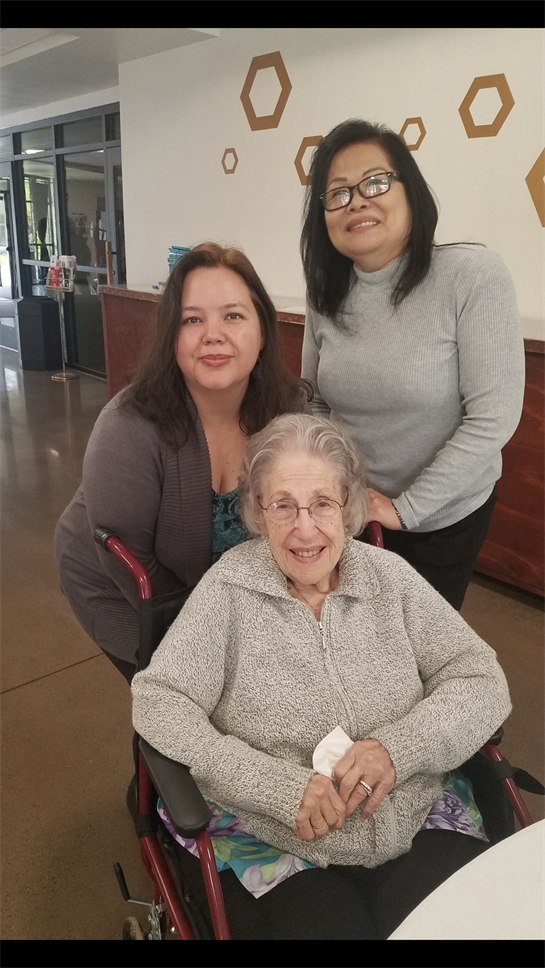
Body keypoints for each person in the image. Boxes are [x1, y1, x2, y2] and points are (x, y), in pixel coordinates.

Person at [132, 413, 511, 940]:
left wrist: (397, 749)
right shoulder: (228, 592)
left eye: (323, 505)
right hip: (279, 840)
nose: (304, 529)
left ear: (350, 508)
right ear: (258, 512)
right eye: (282, 505)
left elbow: (479, 678)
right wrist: (277, 787)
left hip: (415, 818)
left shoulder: (390, 580)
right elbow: (159, 700)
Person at [54, 243, 308, 682]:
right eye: (192, 319)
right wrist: (218, 639)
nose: (213, 334)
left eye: (233, 316)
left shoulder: (289, 410)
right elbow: (129, 559)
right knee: (182, 707)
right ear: (172, 337)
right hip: (125, 593)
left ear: (263, 331)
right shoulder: (130, 425)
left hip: (227, 598)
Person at [300, 119, 525, 610]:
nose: (357, 201)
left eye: (375, 182)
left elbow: (492, 419)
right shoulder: (324, 292)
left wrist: (407, 508)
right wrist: (340, 489)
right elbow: (315, 403)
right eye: (337, 193)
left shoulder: (472, 277)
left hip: (442, 516)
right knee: (349, 631)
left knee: (414, 649)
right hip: (351, 508)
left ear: (411, 192)